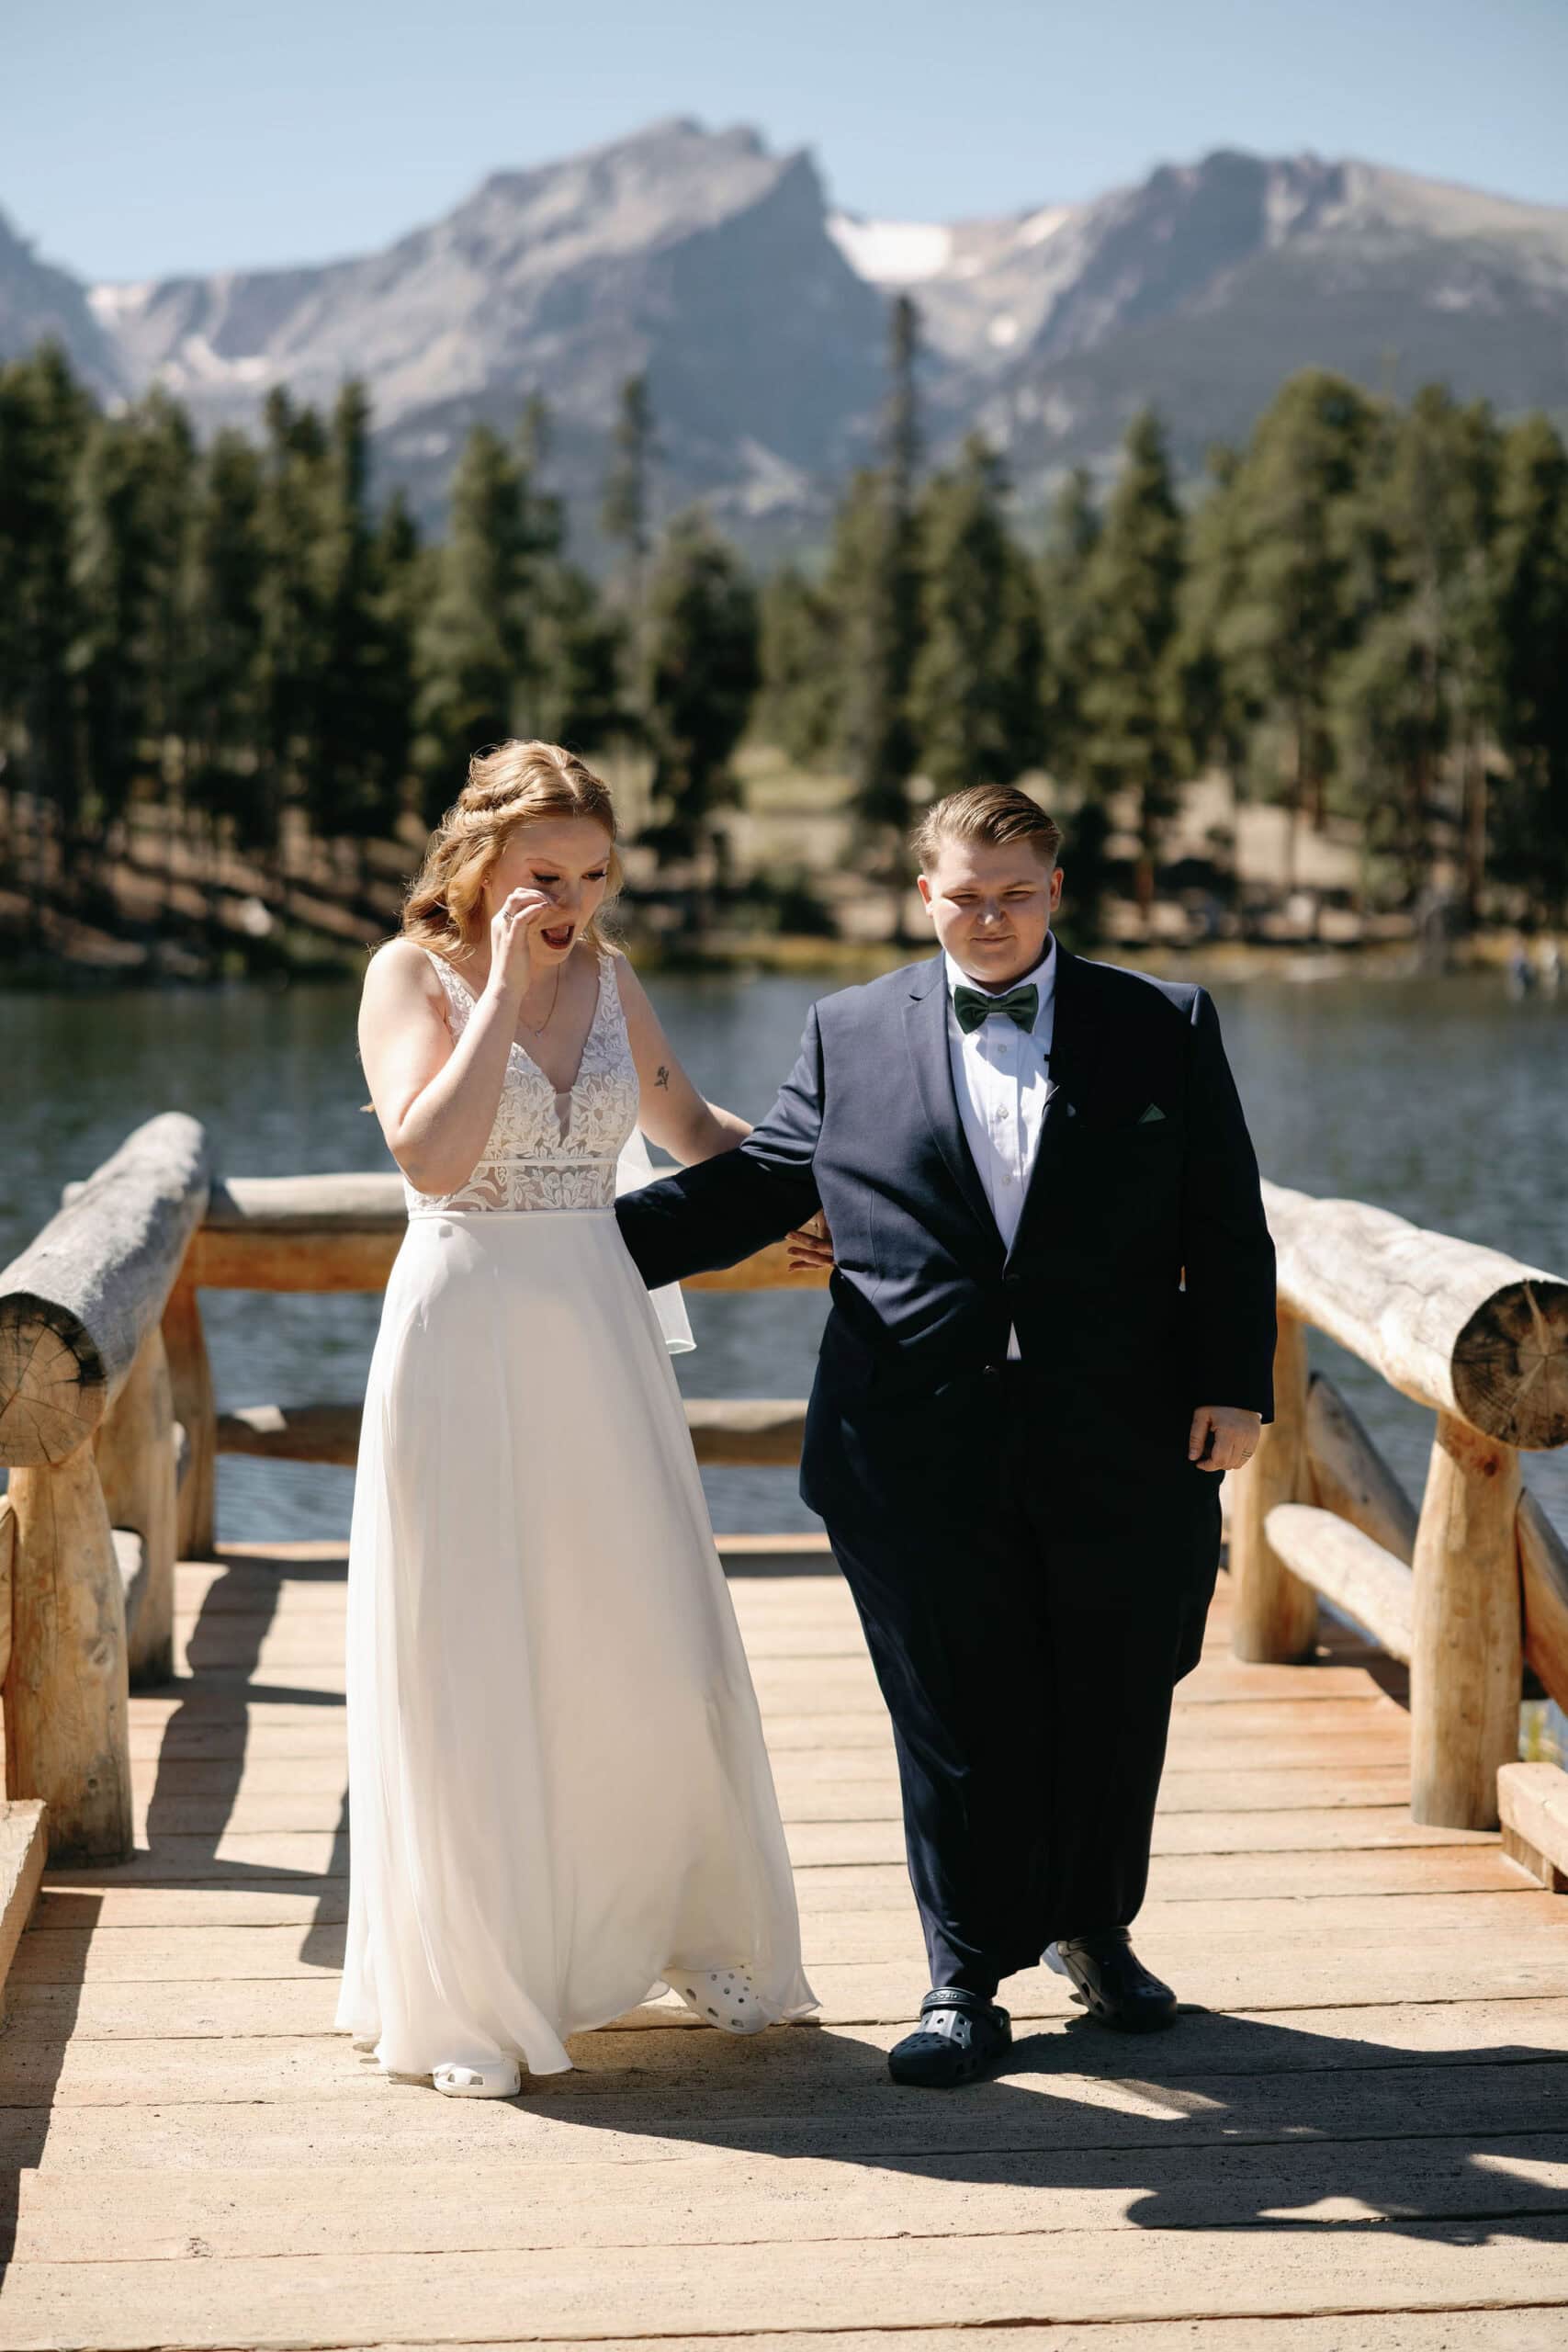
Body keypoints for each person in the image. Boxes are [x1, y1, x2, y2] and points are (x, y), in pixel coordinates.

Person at [615, 783, 1275, 2089]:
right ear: (924, 894)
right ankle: (963, 1977)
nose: (987, 917)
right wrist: (574, 1255)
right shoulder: (848, 1028)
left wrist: (1234, 1384)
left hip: (1125, 1429)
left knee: (1119, 1690)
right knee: (955, 1712)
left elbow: (1225, 1216)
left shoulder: (1164, 1022)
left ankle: (1094, 1928)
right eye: (962, 895)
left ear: (1056, 892)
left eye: (1014, 893)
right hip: (908, 1435)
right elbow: (762, 1179)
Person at [339, 740, 815, 2097]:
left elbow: (691, 1133)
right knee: (472, 1643)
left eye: (596, 875)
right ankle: (482, 1989)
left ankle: (662, 1927)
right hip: (463, 1321)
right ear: (480, 858)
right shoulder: (406, 976)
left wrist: (824, 1193)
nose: (573, 901)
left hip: (597, 1329)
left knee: (634, 1631)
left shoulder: (612, 980)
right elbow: (429, 1150)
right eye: (547, 872)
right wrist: (498, 985)